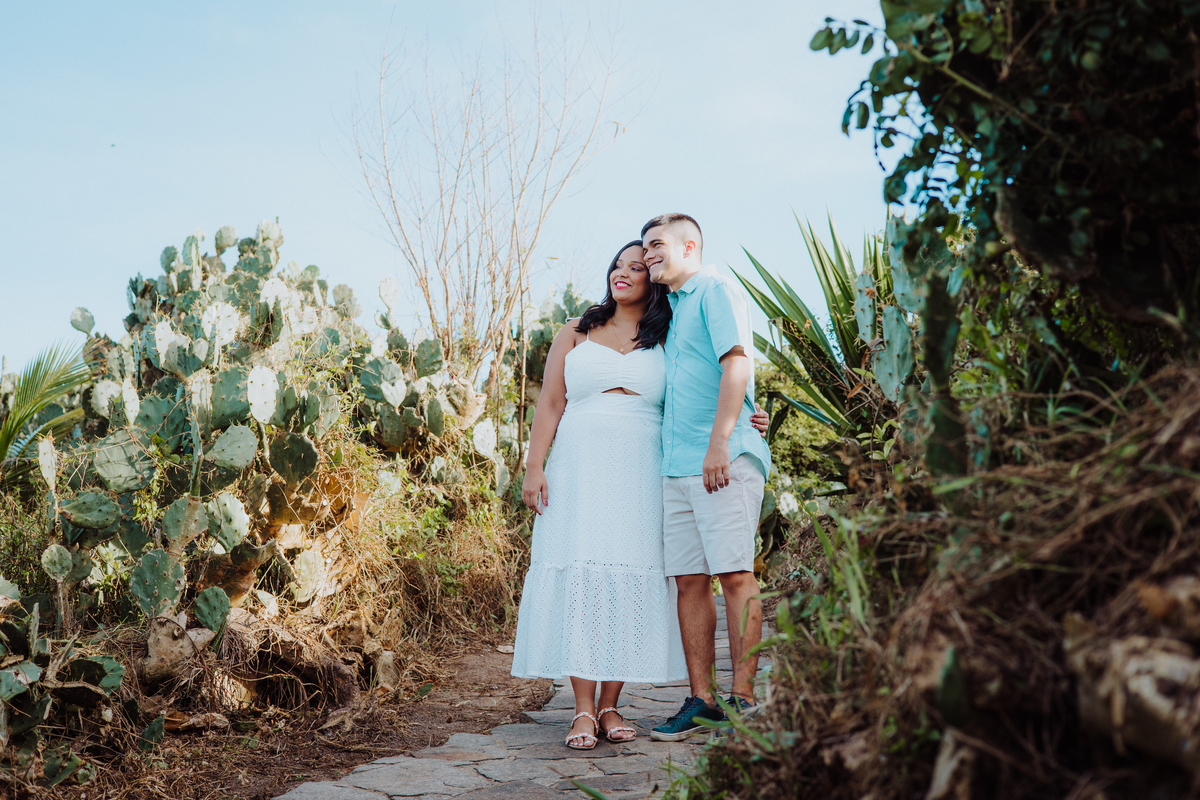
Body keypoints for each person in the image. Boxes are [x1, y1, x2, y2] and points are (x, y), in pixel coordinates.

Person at [510, 239, 768, 750]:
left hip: (643, 469)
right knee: (583, 571)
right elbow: (550, 403)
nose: (624, 272)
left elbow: (706, 375)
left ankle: (610, 704)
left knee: (628, 575)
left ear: (653, 280)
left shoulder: (667, 333)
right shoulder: (576, 330)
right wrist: (534, 466)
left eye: (638, 266)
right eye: (618, 265)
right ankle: (582, 709)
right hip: (579, 464)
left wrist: (750, 416)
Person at [639, 213, 773, 743]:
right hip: (676, 466)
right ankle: (703, 701)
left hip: (722, 459)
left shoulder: (716, 290)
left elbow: (737, 364)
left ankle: (744, 699)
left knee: (736, 573)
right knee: (689, 582)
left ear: (689, 245)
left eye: (657, 246)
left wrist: (721, 440)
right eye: (644, 248)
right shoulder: (668, 309)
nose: (649, 256)